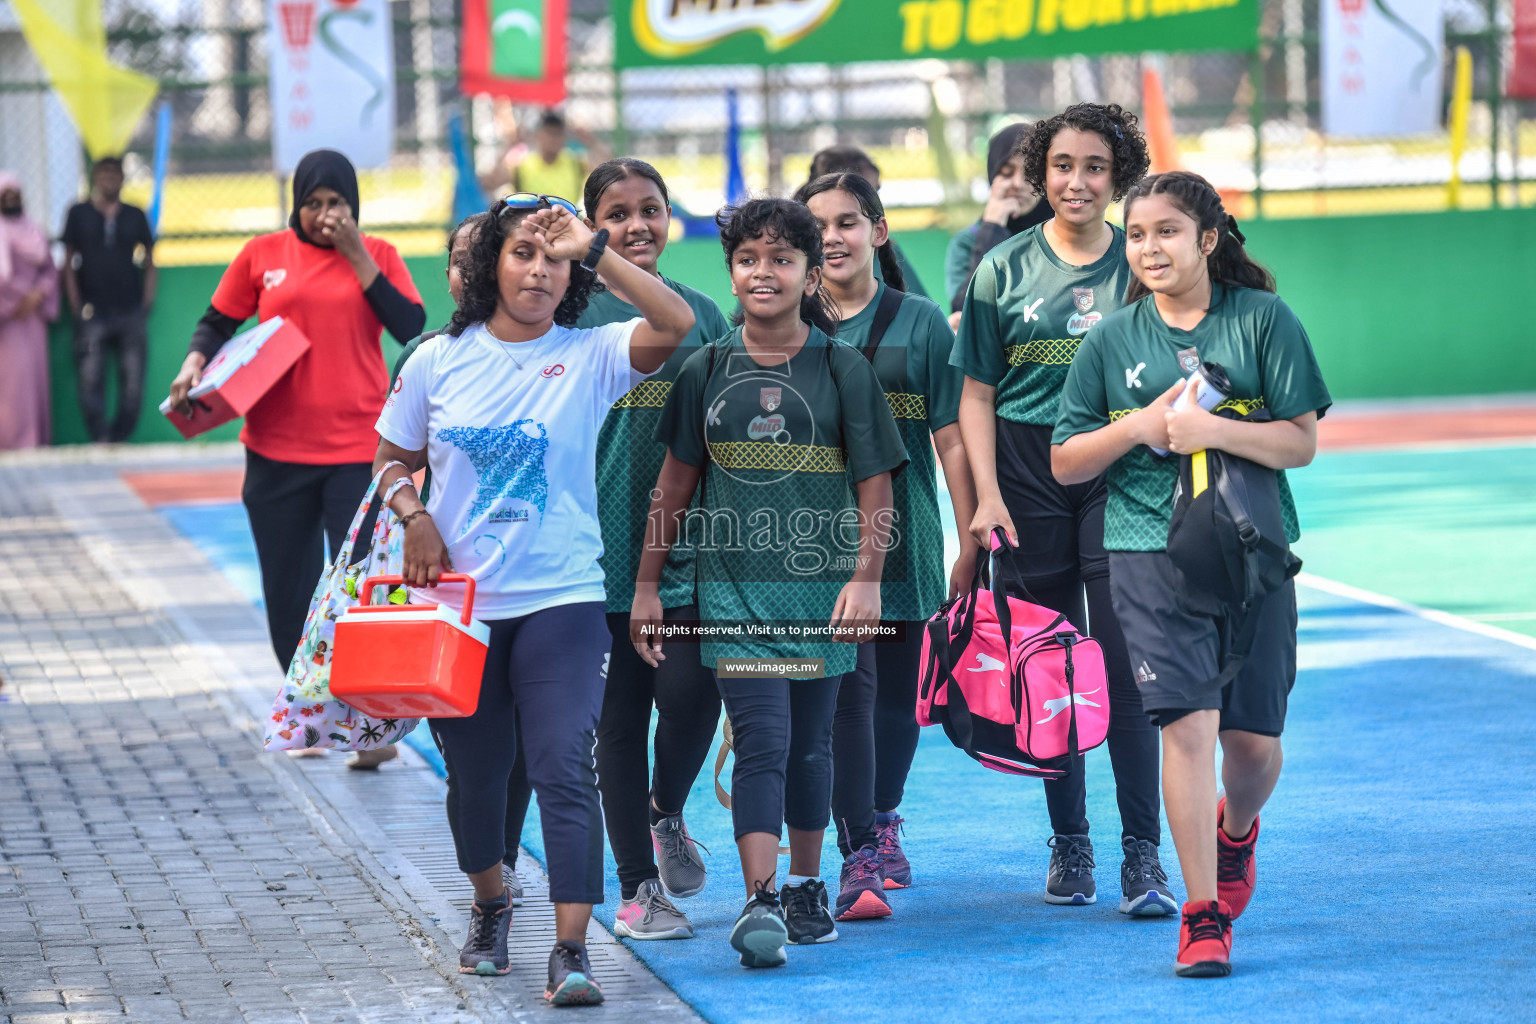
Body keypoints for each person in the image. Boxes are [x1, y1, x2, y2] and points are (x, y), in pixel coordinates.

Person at [374, 195, 696, 1003]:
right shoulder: (436, 362)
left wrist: (597, 249)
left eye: (554, 260)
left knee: (562, 764)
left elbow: (677, 319)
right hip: (462, 609)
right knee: (477, 781)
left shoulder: (592, 354)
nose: (539, 270)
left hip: (563, 599)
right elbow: (387, 459)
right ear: (491, 268)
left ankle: (571, 948)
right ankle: (491, 900)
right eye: (523, 253)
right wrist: (414, 515)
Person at [1052, 170, 1330, 977]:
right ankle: (1201, 914)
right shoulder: (1109, 340)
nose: (1149, 248)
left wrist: (1208, 429)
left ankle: (1235, 829)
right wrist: (1140, 427)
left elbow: (1300, 442)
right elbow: (1067, 460)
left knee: (1250, 746)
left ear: (1208, 240)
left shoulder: (1263, 321)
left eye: (1167, 232)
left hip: (1252, 549)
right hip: (1146, 551)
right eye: (1136, 235)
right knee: (1188, 727)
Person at [633, 197, 907, 969]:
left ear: (808, 273)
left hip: (825, 597)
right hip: (735, 598)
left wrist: (867, 579)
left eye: (782, 260)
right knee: (764, 741)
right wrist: (650, 587)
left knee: (814, 748)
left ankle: (807, 885)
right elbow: (673, 488)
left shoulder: (843, 368)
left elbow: (876, 489)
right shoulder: (704, 368)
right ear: (731, 272)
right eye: (749, 259)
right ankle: (760, 901)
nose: (764, 272)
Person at [954, 104, 1171, 915]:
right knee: (1050, 674)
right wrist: (986, 497)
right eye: (1062, 166)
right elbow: (976, 394)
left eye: (1094, 167)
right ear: (1039, 174)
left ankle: (1142, 855)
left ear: (1119, 180)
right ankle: (1071, 842)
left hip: (1120, 481)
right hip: (1024, 480)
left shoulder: (1139, 263)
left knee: (1123, 668)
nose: (1076, 182)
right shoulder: (1000, 269)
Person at [794, 172, 979, 921]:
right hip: (814, 546)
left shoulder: (922, 322)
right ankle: (859, 846)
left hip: (905, 538)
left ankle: (880, 816)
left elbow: (954, 441)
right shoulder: (787, 323)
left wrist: (972, 537)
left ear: (879, 231)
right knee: (848, 698)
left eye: (849, 221)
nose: (834, 236)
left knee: (901, 700)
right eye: (820, 226)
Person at [168, 149, 426, 673]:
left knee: (366, 584)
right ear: (295, 205)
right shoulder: (262, 254)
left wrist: (356, 254)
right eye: (312, 202)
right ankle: (307, 709)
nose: (325, 213)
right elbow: (218, 321)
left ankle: (367, 719)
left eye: (336, 203)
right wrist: (193, 363)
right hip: (275, 453)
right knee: (288, 594)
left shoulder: (378, 252)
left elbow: (411, 326)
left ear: (353, 207)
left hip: (359, 453)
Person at [576, 159, 731, 940]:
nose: (637, 225)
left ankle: (665, 809)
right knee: (620, 717)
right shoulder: (566, 317)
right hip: (594, 557)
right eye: (617, 212)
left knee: (694, 694)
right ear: (589, 224)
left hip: (695, 553)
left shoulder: (702, 315)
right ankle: (639, 887)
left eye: (651, 209)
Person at [62, 155, 157, 443]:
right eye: (104, 174)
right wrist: (76, 304)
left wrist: (147, 300)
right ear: (94, 177)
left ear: (123, 178)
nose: (109, 179)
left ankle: (119, 438)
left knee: (132, 383)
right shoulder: (78, 213)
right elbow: (67, 262)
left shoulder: (134, 214)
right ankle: (100, 439)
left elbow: (151, 259)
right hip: (92, 310)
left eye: (115, 174)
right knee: (90, 379)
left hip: (129, 309)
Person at [944, 124, 1050, 322]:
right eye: (1006, 172)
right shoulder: (968, 241)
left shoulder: (1063, 232)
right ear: (992, 175)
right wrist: (992, 228)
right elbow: (964, 312)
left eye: (1030, 173)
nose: (1018, 184)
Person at [804, 145, 930, 299]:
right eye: (866, 191)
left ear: (880, 231)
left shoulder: (885, 253)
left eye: (876, 191)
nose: (831, 237)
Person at [0, 173, 59, 450]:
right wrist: (22, 297)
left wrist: (39, 294)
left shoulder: (34, 230)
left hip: (32, 318)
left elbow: (49, 268)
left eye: (15, 194)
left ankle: (35, 441)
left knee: (35, 381)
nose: (11, 199)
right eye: (5, 195)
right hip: (9, 319)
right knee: (12, 384)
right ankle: (12, 442)